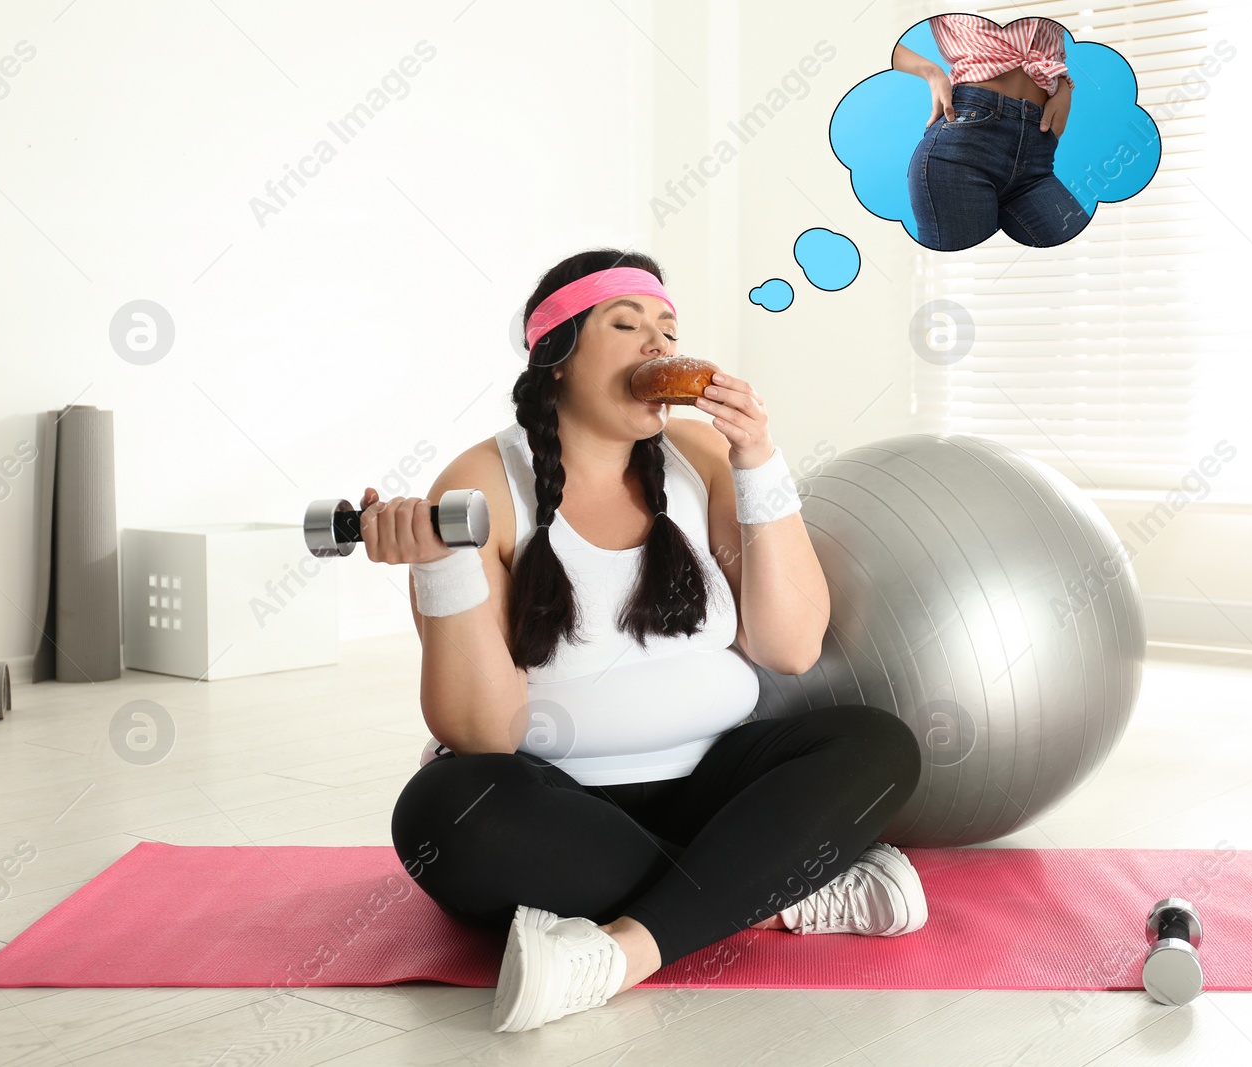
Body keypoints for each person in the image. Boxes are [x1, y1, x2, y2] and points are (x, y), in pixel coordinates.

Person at [375, 248, 927, 1033]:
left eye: (668, 330)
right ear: (556, 359)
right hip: (561, 807)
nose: (659, 348)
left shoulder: (703, 458)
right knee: (441, 812)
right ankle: (779, 892)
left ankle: (620, 950)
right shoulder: (481, 485)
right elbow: (481, 735)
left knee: (878, 745)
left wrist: (759, 461)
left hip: (714, 786)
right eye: (627, 325)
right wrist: (438, 567)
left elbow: (791, 645)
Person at [898, 14, 1091, 250]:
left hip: (1036, 151)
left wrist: (1063, 86)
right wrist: (931, 71)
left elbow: (1047, 46)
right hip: (965, 147)